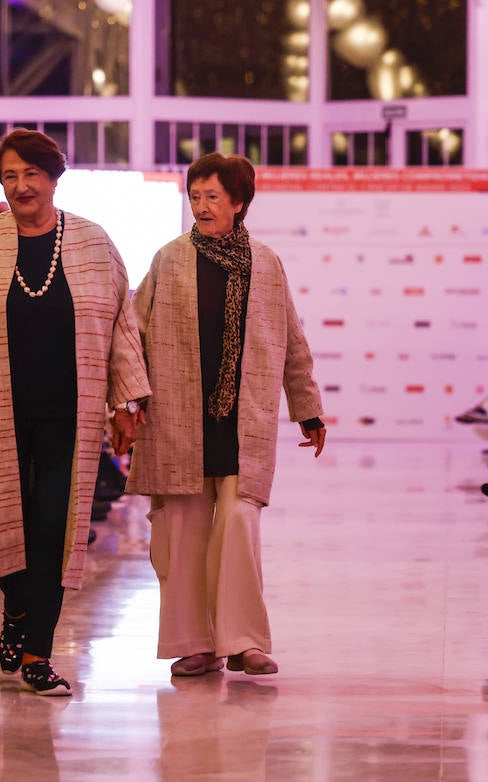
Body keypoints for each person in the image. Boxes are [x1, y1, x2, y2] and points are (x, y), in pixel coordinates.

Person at [0, 128, 150, 695]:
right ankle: (17, 609)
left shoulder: (95, 243)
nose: (20, 185)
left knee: (53, 529)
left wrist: (125, 403)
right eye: (9, 176)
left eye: (31, 174)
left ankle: (37, 652)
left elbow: (121, 327)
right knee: (0, 523)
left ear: (54, 177)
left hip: (69, 414)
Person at [128, 153, 326, 678]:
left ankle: (243, 642)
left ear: (239, 202)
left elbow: (291, 341)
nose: (202, 206)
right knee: (184, 530)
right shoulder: (169, 259)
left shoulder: (266, 262)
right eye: (195, 197)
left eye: (213, 197)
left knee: (238, 522)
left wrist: (308, 409)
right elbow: (133, 333)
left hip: (243, 419)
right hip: (177, 417)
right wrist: (126, 399)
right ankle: (195, 644)